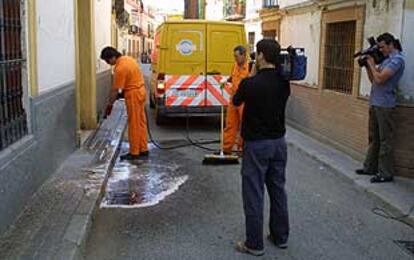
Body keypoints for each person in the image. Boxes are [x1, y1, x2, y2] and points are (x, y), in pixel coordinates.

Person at [233, 39, 290, 256]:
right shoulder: (284, 83)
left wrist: (251, 74)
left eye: (257, 54)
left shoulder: (250, 83)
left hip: (256, 145)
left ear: (262, 56)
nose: (254, 58)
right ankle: (280, 236)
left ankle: (254, 244)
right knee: (278, 190)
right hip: (279, 144)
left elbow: (236, 101)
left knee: (254, 193)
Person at [355, 33, 405, 183]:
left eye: (383, 47)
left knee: (385, 140)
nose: (381, 50)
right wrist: (367, 67)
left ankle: (385, 173)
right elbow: (373, 80)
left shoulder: (397, 60)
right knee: (374, 138)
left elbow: (381, 79)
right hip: (375, 102)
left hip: (385, 105)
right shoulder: (385, 61)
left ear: (391, 45)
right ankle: (370, 167)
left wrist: (371, 63)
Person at [101, 46, 149, 161]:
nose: (108, 64)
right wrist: (122, 94)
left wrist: (110, 105)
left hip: (133, 95)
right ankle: (143, 149)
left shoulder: (120, 68)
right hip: (141, 91)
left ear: (112, 57)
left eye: (108, 61)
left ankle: (134, 152)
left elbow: (115, 90)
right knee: (141, 122)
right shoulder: (128, 59)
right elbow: (129, 81)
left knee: (134, 124)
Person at [222, 45, 250, 155]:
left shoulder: (250, 67)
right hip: (234, 100)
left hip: (244, 101)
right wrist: (226, 80)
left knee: (244, 126)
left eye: (237, 56)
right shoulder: (234, 66)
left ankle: (242, 149)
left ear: (244, 55)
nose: (235, 59)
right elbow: (233, 78)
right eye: (234, 56)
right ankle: (226, 149)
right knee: (230, 124)